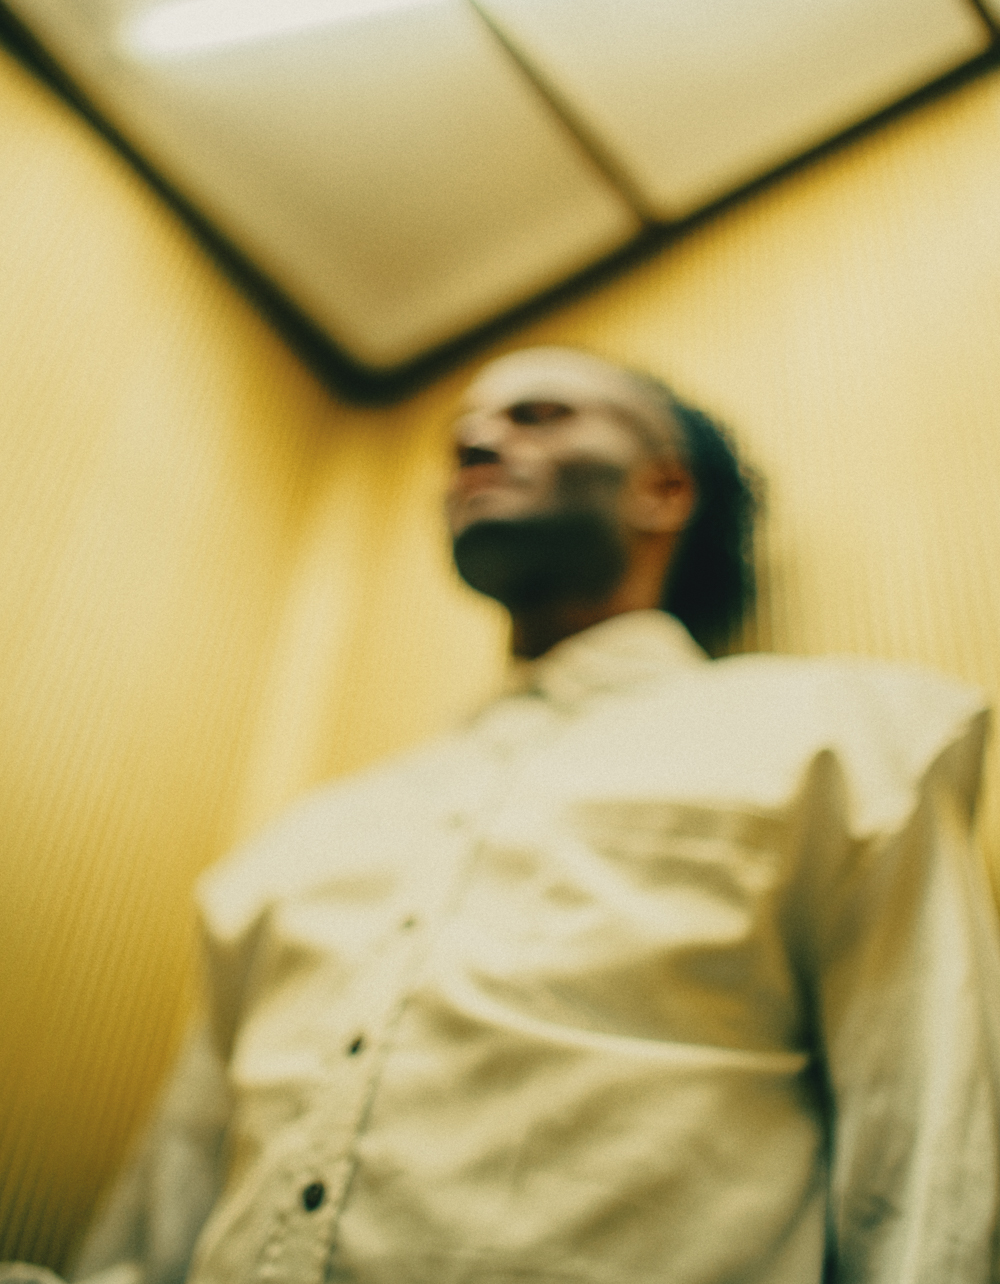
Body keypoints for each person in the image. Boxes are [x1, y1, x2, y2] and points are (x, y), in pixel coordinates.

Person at [16, 346, 1000, 1284]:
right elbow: (163, 1213)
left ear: (663, 488)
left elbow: (931, 1145)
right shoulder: (297, 845)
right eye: (462, 437)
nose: (479, 443)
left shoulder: (844, 738)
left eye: (538, 415)